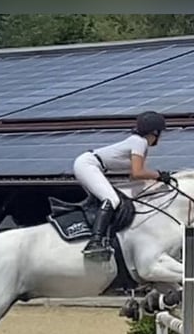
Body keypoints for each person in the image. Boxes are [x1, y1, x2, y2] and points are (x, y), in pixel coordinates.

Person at [72, 110, 171, 259]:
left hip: (91, 165)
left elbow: (134, 178)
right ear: (154, 132)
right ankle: (95, 242)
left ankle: (103, 237)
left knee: (114, 199)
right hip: (88, 165)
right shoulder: (140, 142)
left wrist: (156, 187)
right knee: (112, 200)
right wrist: (159, 175)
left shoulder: (138, 143)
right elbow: (138, 173)